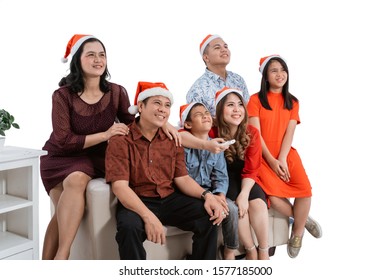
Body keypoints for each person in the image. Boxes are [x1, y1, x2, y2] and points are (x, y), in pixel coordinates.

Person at [105, 81, 226, 260]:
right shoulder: (121, 140)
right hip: (138, 200)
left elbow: (182, 179)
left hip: (169, 199)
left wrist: (207, 195)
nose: (163, 109)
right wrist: (148, 216)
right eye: (157, 103)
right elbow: (120, 187)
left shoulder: (172, 139)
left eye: (167, 105)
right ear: (140, 106)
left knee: (208, 215)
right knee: (128, 227)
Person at [40, 34, 135, 260]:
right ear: (77, 61)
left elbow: (133, 125)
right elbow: (64, 140)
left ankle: (59, 259)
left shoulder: (117, 91)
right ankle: (57, 260)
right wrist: (106, 134)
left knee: (67, 201)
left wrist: (166, 127)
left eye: (102, 55)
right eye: (90, 55)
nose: (98, 60)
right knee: (70, 194)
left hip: (97, 158)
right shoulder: (62, 96)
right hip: (60, 157)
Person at [246, 54, 322, 258]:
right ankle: (303, 220)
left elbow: (289, 133)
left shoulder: (293, 101)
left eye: (283, 70)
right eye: (274, 70)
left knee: (305, 191)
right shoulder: (254, 100)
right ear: (265, 76)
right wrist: (271, 160)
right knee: (273, 196)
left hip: (286, 154)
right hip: (262, 156)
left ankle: (297, 234)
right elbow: (256, 134)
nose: (280, 74)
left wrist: (282, 159)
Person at [212, 87, 270, 260]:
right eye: (230, 105)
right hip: (224, 179)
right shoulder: (212, 132)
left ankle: (264, 251)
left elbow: (251, 169)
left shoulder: (252, 132)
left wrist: (245, 194)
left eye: (240, 105)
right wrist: (240, 198)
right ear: (221, 110)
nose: (237, 109)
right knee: (238, 209)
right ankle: (250, 249)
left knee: (257, 203)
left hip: (247, 178)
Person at [179, 102, 239, 260]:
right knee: (209, 211)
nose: (205, 115)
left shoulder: (217, 145)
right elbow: (181, 179)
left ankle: (229, 252)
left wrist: (220, 195)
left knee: (231, 208)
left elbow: (221, 176)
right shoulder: (183, 146)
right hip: (188, 194)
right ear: (187, 124)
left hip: (211, 192)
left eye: (206, 112)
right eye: (199, 114)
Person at [183, 34, 250, 153]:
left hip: (243, 143)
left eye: (226, 46)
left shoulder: (238, 80)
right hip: (214, 148)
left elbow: (246, 112)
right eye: (217, 47)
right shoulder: (198, 89)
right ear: (206, 57)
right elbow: (197, 126)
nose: (224, 49)